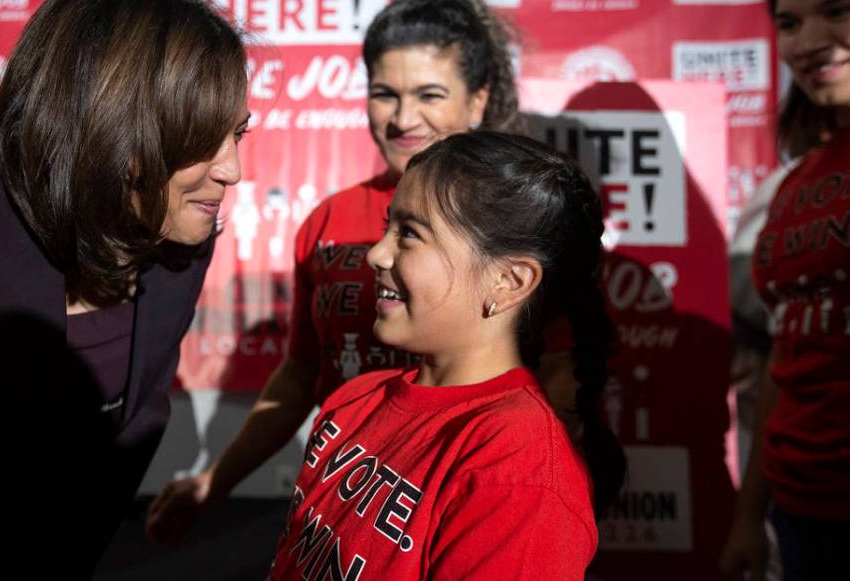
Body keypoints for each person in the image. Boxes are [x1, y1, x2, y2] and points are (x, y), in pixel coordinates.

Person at [0, 0, 248, 574]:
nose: (232, 170)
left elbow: (122, 449)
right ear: (113, 124)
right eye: (204, 137)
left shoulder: (179, 244)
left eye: (238, 134)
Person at [148, 0, 528, 547]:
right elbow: (302, 373)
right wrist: (216, 480)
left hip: (467, 518)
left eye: (429, 94)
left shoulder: (525, 221)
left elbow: (561, 382)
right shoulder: (329, 219)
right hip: (340, 513)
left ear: (477, 100)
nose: (404, 119)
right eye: (384, 94)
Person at [268, 132, 626, 580]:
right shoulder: (352, 401)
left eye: (410, 234)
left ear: (509, 281)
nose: (377, 253)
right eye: (387, 227)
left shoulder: (520, 475)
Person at [720, 0, 850, 579]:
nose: (808, 42)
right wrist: (750, 517)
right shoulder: (796, 183)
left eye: (838, 10)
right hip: (800, 511)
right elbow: (785, 352)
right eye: (789, 22)